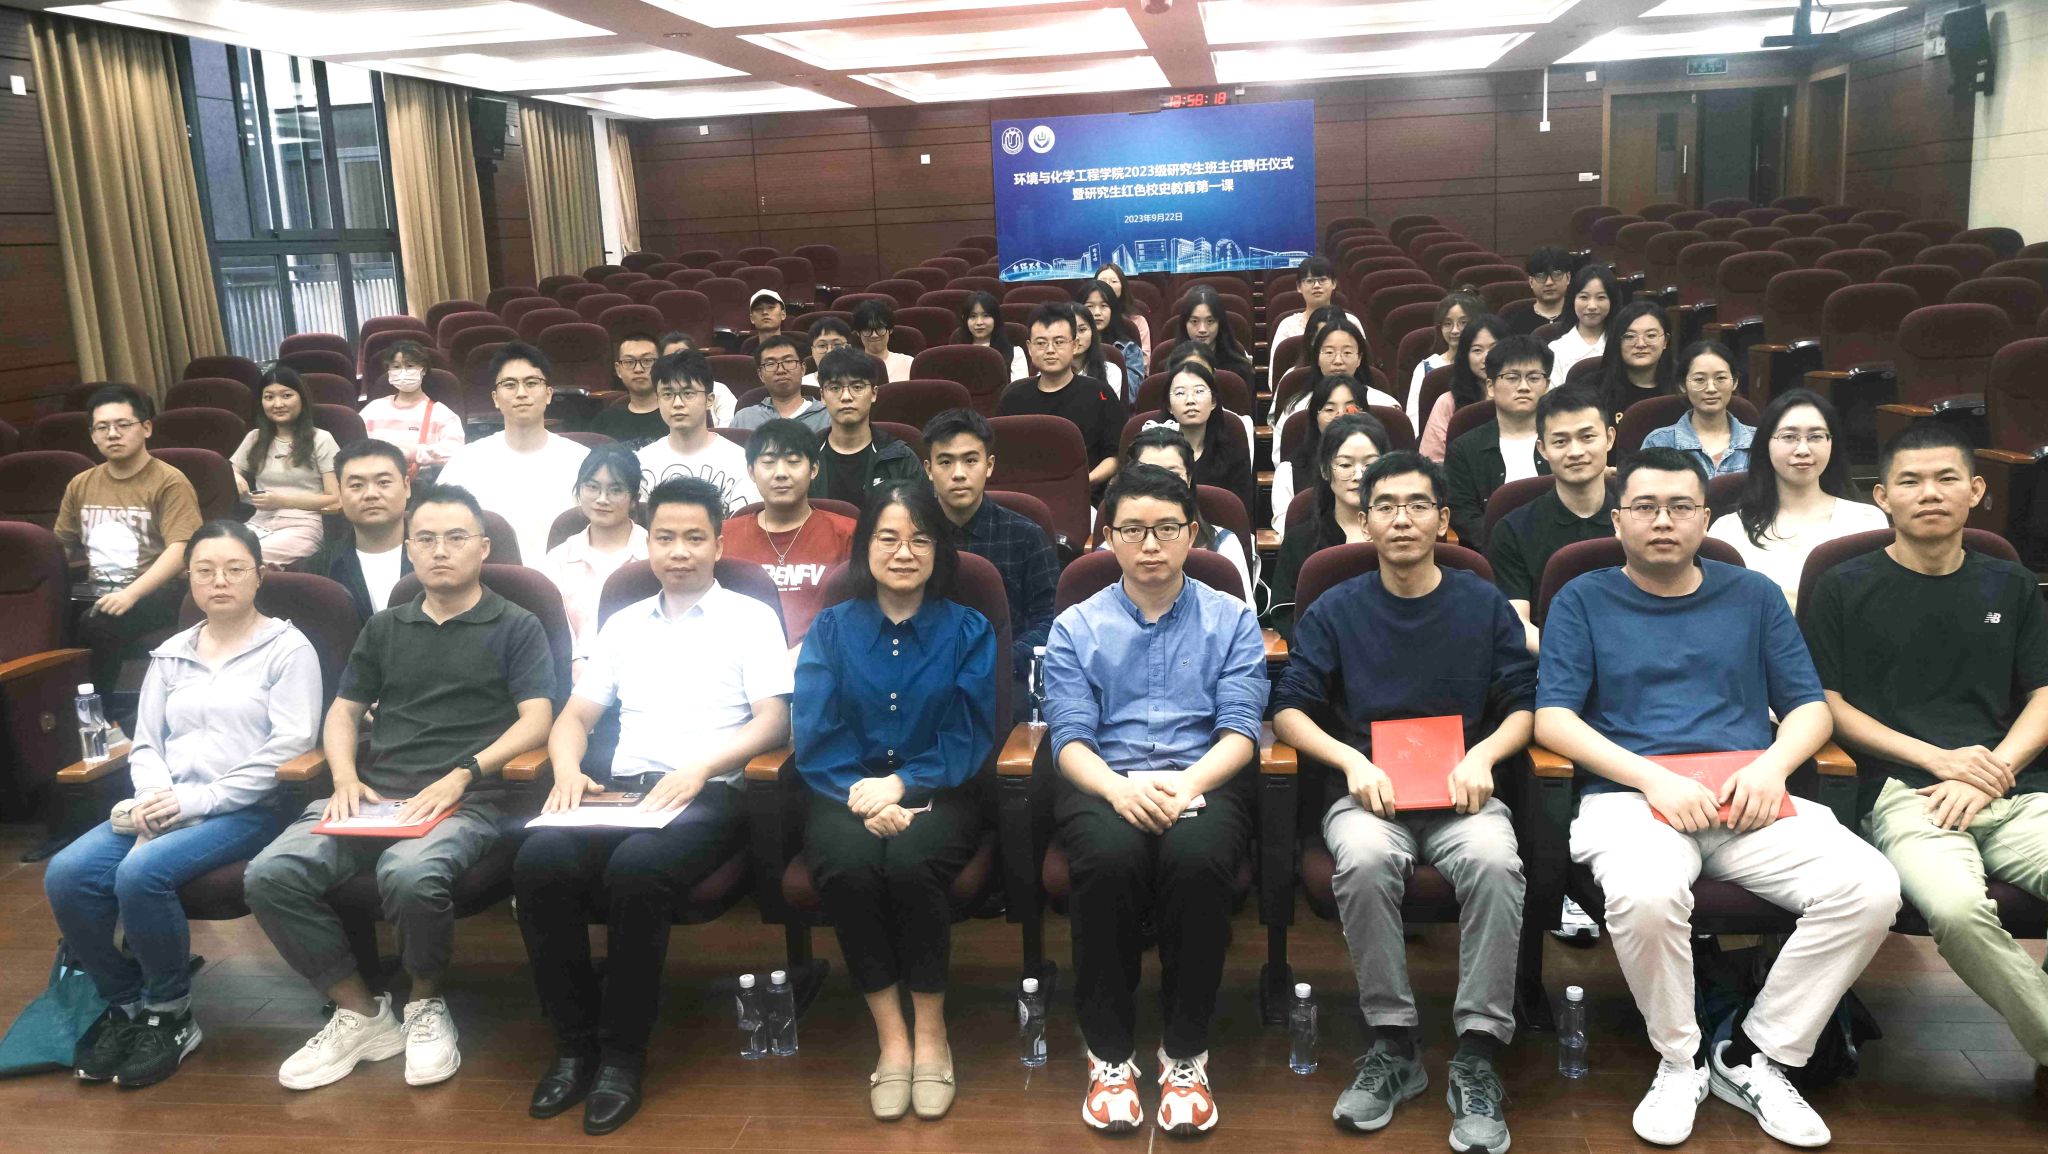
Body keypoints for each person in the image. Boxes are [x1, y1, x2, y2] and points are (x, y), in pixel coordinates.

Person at [1534, 448, 1900, 1149]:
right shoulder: (1583, 598)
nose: (1662, 521)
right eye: (1645, 507)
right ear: (1617, 520)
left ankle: (1754, 1053)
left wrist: (1772, 768)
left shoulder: (1753, 594)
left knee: (1870, 887)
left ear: (1705, 518)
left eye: (1680, 507)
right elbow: (1554, 719)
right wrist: (1652, 778)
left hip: (1746, 796)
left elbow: (1809, 708)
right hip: (1634, 796)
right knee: (1644, 894)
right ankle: (1680, 1059)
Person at [245, 484, 557, 1092]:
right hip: (375, 796)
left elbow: (537, 720)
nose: (440, 550)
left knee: (409, 873)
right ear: (409, 548)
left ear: (483, 548)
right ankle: (360, 1012)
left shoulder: (515, 624)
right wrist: (344, 777)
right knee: (270, 873)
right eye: (426, 539)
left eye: (456, 538)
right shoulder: (385, 626)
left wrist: (463, 773)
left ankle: (424, 1002)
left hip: (466, 799)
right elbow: (343, 712)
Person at [1271, 452, 1534, 1154]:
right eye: (1384, 506)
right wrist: (1350, 760)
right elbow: (1289, 710)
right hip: (1369, 794)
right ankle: (1394, 1043)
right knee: (1361, 861)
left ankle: (1478, 1050)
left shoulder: (1481, 602)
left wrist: (1484, 756)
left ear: (1444, 520)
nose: (1401, 519)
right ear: (1364, 521)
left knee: (1495, 863)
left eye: (1418, 505)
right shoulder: (1336, 608)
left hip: (1461, 793)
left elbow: (1524, 703)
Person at [515, 476, 792, 1136]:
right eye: (665, 537)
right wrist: (566, 770)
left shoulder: (750, 618)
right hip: (622, 793)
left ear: (719, 544)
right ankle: (573, 1045)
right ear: (649, 544)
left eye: (695, 538)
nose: (679, 551)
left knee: (637, 872)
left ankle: (621, 1056)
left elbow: (774, 721)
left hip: (708, 793)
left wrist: (703, 766)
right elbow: (575, 716)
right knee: (538, 861)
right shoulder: (623, 623)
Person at [1806, 421, 2048, 1077]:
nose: (1930, 493)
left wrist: (1991, 772)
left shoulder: (2013, 585)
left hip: (2011, 789)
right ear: (1882, 496)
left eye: (1946, 479)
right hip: (1905, 794)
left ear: (1977, 490)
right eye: (1910, 481)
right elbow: (1826, 704)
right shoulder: (1843, 586)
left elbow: (2043, 695)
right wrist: (1938, 760)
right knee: (1958, 911)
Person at [47, 520, 316, 1088]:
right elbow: (146, 742)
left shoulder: (288, 649)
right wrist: (152, 796)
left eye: (234, 569)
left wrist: (198, 799)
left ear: (259, 576)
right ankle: (124, 1004)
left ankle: (169, 1014)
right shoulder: (170, 654)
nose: (220, 581)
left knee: (141, 872)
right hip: (164, 801)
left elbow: (289, 747)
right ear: (189, 579)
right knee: (67, 874)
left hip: (247, 808)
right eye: (205, 570)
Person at [1042, 464, 1268, 1137]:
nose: (1149, 545)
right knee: (1107, 861)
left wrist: (1187, 784)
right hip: (1104, 779)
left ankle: (1185, 1054)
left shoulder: (1232, 618)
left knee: (1197, 862)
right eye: (1132, 529)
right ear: (1107, 536)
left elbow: (1241, 730)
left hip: (1203, 777)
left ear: (1192, 534)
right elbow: (1069, 738)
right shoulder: (1076, 625)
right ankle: (1109, 1055)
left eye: (1166, 529)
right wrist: (1119, 788)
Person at [793, 482, 996, 1122]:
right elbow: (815, 729)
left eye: (919, 540)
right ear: (865, 548)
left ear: (939, 551)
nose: (904, 553)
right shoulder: (831, 628)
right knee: (849, 866)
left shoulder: (969, 629)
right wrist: (867, 796)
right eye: (888, 538)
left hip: (942, 790)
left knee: (911, 864)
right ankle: (892, 1036)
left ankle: (931, 1032)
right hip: (844, 789)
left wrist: (902, 784)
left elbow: (968, 734)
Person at [57, 384, 203, 711]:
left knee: (97, 625)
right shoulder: (80, 484)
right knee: (46, 622)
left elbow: (181, 548)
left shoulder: (169, 481)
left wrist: (131, 594)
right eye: (102, 427)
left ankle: (102, 717)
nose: (113, 434)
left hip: (159, 591)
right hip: (96, 590)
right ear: (92, 436)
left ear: (146, 428)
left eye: (123, 424)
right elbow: (60, 547)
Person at [1708, 389, 1885, 609]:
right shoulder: (1728, 530)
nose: (1803, 450)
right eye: (1789, 437)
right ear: (1765, 443)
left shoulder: (1867, 522)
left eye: (1816, 436)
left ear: (1832, 443)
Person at [922, 408, 1058, 682]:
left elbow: (1050, 620)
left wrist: (995, 661)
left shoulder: (1027, 536)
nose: (958, 474)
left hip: (1007, 674)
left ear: (990, 465)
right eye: (945, 462)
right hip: (923, 673)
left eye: (970, 460)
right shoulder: (912, 537)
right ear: (928, 469)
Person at [1487, 384, 1618, 652]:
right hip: (1547, 659)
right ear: (1543, 448)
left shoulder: (1640, 517)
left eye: (1587, 437)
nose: (1575, 452)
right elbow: (1516, 622)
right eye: (1560, 441)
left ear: (1609, 438)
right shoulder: (1513, 529)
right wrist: (1570, 660)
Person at [435, 343, 591, 563]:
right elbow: (437, 528)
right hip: (488, 578)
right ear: (495, 398)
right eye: (509, 385)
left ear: (548, 394)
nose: (521, 393)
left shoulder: (583, 461)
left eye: (531, 383)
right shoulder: (465, 462)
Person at [722, 419, 858, 647]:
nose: (781, 473)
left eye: (793, 462)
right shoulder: (724, 536)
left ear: (813, 469)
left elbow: (858, 614)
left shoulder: (849, 533)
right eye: (768, 462)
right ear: (751, 471)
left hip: (825, 657)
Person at [1268, 412, 1391, 643]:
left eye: (1370, 464)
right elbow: (1285, 613)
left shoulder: (1402, 532)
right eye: (1345, 465)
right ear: (1325, 470)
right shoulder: (1301, 539)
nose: (1358, 475)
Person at [539, 444, 649, 681]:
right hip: (571, 680)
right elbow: (556, 635)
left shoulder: (654, 553)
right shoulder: (558, 559)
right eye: (592, 487)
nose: (602, 499)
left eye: (616, 490)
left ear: (634, 499)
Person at [998, 304, 1126, 490]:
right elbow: (1002, 457)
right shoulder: (1013, 397)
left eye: (1059, 342)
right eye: (1041, 343)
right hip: (1025, 494)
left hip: (1086, 493)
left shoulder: (1100, 394)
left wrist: (1082, 482)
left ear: (1074, 345)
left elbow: (1115, 456)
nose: (1050, 350)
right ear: (1029, 348)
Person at [1120, 427, 1254, 604]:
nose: (1161, 484)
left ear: (1189, 479)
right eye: (1148, 473)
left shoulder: (1224, 545)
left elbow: (1244, 615)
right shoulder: (1113, 547)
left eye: (1173, 474)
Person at [1444, 335, 1554, 546]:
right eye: (1512, 377)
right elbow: (1464, 517)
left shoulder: (1564, 441)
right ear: (1491, 386)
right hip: (1492, 554)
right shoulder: (1464, 449)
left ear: (1547, 385)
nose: (1524, 387)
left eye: (1534, 377)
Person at [293, 439, 414, 621]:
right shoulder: (318, 569)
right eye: (357, 485)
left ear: (406, 486)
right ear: (340, 494)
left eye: (383, 482)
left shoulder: (439, 556)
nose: (371, 494)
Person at [229, 366, 339, 566]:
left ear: (301, 398)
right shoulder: (254, 438)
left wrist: (281, 500)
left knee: (243, 558)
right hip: (260, 523)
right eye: (269, 397)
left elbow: (334, 498)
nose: (278, 404)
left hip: (304, 525)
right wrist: (235, 476)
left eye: (286, 395)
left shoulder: (321, 439)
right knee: (215, 550)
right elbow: (232, 469)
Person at [633, 349, 761, 516]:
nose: (677, 403)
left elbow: (745, 526)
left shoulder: (740, 461)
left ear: (709, 400)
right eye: (667, 394)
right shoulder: (641, 462)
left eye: (688, 393)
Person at [811, 346, 924, 505]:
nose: (846, 397)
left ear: (874, 393)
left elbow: (921, 515)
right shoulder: (805, 456)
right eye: (835, 388)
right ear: (822, 396)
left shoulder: (900, 458)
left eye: (857, 387)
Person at [1151, 358, 1253, 517]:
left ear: (1213, 401)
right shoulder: (1152, 454)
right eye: (1180, 393)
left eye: (1199, 391)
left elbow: (1240, 514)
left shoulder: (1232, 454)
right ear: (1169, 406)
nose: (1190, 401)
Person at [1642, 341, 1755, 478]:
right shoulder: (1659, 442)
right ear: (1683, 385)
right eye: (1700, 379)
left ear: (1735, 382)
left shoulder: (1758, 441)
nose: (1711, 388)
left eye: (1720, 378)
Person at [1270, 373, 1365, 536]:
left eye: (1350, 409)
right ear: (1315, 416)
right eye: (1330, 409)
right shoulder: (1289, 471)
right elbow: (1287, 528)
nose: (1340, 416)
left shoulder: (1385, 468)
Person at [359, 339, 463, 471]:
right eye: (396, 367)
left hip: (425, 481)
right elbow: (354, 445)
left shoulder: (442, 414)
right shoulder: (373, 409)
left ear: (423, 370)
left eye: (410, 366)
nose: (403, 372)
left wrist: (413, 453)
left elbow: (456, 451)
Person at [1419, 315, 1508, 463]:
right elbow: (1432, 462)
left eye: (1494, 349)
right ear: (1465, 356)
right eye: (1477, 350)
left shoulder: (1523, 396)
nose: (1486, 358)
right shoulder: (1448, 402)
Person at [1276, 317, 1397, 425]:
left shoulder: (1386, 406)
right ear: (1317, 358)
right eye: (1329, 352)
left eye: (1347, 353)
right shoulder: (1296, 409)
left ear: (1359, 358)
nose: (1338, 361)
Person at [1406, 290, 1484, 433]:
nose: (1455, 330)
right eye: (1447, 324)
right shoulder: (1426, 368)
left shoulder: (1486, 363)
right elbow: (1414, 421)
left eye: (1463, 323)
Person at [1593, 302, 1676, 424]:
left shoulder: (1683, 387)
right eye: (1630, 337)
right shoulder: (1592, 389)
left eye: (1651, 335)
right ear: (1617, 341)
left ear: (1665, 341)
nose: (1641, 344)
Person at [730, 334, 829, 433]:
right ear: (760, 375)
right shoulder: (744, 419)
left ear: (803, 369)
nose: (781, 370)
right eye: (771, 364)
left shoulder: (827, 416)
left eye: (788, 361)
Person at [589, 332, 669, 449]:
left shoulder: (676, 415)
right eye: (629, 362)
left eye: (647, 361)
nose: (638, 369)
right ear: (618, 370)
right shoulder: (604, 422)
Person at [1270, 255, 1360, 350]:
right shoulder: (1287, 326)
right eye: (1309, 281)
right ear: (1299, 287)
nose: (1316, 285)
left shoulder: (1351, 322)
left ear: (1334, 283)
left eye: (1323, 280)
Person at [1546, 264, 1618, 383]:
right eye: (1584, 297)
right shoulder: (1556, 349)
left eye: (1601, 297)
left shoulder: (1623, 344)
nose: (1592, 306)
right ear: (1573, 300)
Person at [1176, 287, 1254, 386]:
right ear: (1184, 324)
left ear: (1219, 323)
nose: (1202, 329)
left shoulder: (1240, 370)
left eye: (1210, 321)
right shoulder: (1170, 367)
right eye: (1194, 321)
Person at [657, 331, 737, 425]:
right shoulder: (657, 394)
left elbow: (730, 428)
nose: (677, 363)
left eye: (683, 358)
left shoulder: (719, 390)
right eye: (669, 359)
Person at [1081, 278, 1145, 391]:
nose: (1097, 313)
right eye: (1089, 306)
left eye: (1104, 306)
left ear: (1113, 310)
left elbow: (1129, 394)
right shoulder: (1070, 347)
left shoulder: (1129, 350)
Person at [954, 290, 1027, 382]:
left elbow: (1019, 389)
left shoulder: (1015, 353)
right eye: (973, 316)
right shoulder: (955, 353)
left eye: (986, 315)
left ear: (996, 319)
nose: (979, 322)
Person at [1506, 247, 1572, 336]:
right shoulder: (1516, 322)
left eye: (1556, 275)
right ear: (1531, 281)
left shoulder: (1579, 317)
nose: (1549, 282)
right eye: (1541, 276)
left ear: (1568, 278)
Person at [1070, 300, 1126, 400]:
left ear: (1093, 332)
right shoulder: (1047, 373)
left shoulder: (1111, 372)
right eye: (1069, 331)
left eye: (1082, 330)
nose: (1076, 337)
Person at [1091, 260, 1151, 352]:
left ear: (1123, 286)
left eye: (1114, 281)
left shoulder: (1137, 321)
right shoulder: (1086, 319)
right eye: (1102, 281)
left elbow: (1144, 357)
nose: (1108, 285)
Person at [854, 299, 915, 383]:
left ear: (890, 330)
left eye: (879, 328)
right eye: (867, 330)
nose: (874, 335)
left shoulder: (909, 363)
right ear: (858, 333)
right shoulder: (848, 366)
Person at [802, 317, 855, 389]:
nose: (829, 351)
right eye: (822, 345)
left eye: (837, 345)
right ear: (812, 351)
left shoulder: (863, 381)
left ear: (849, 348)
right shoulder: (803, 385)